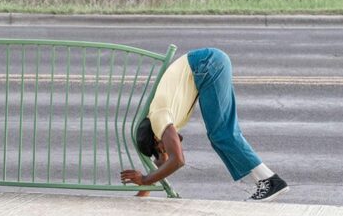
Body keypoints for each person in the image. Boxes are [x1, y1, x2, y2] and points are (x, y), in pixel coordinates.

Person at [120, 48, 288, 201]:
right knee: (219, 136)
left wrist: (144, 179)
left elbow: (177, 160)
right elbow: (163, 161)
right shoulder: (162, 122)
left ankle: (270, 181)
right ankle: (267, 181)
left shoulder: (159, 117)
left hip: (205, 64)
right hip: (206, 64)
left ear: (157, 139)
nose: (169, 149)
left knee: (222, 134)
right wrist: (143, 191)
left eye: (163, 148)